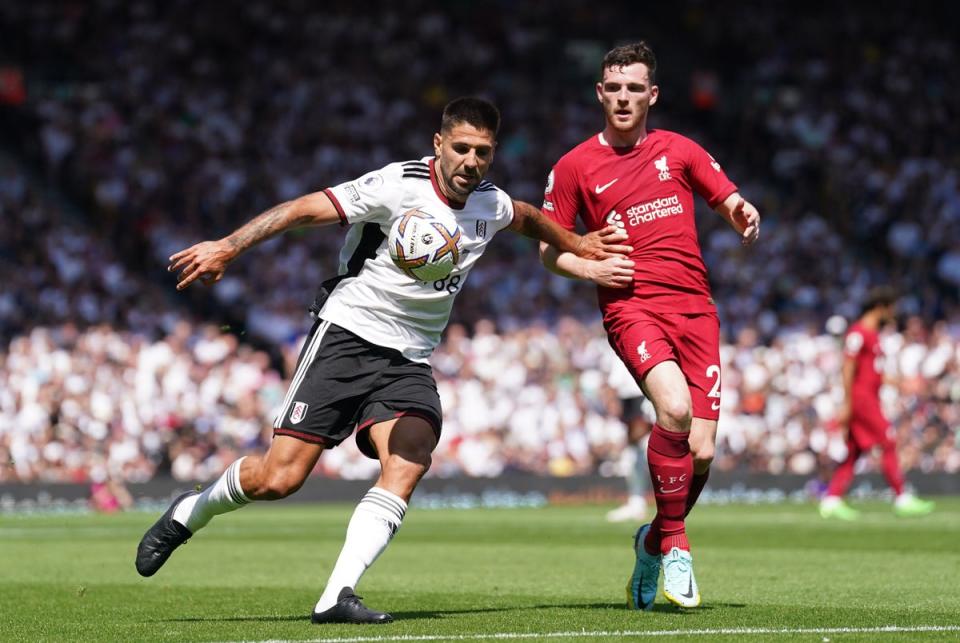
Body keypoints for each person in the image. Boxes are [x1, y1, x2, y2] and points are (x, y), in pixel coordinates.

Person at [134, 97, 632, 624]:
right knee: (278, 480)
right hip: (347, 337)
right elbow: (305, 209)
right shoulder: (397, 186)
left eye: (483, 152)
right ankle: (192, 509)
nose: (471, 161)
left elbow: (529, 218)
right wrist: (229, 247)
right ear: (438, 145)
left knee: (412, 454)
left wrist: (576, 240)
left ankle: (336, 595)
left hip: (410, 358)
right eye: (461, 148)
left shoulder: (491, 203)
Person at [538, 42, 760, 610]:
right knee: (675, 412)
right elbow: (548, 251)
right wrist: (590, 265)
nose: (623, 98)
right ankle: (679, 547)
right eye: (614, 88)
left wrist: (740, 210)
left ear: (651, 95)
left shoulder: (678, 149)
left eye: (634, 88)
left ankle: (653, 539)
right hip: (630, 305)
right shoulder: (573, 167)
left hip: (696, 309)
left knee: (703, 452)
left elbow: (726, 196)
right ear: (600, 92)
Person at [819, 287, 935, 520]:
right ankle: (902, 496)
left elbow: (874, 373)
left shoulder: (872, 335)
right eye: (891, 308)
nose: (893, 313)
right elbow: (848, 368)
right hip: (862, 400)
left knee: (855, 450)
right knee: (888, 439)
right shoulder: (858, 334)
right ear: (880, 307)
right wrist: (848, 403)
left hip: (869, 397)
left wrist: (900, 384)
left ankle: (832, 499)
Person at [605, 353, 653, 523]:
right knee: (634, 451)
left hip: (640, 393)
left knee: (637, 448)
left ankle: (637, 502)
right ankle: (636, 502)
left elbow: (613, 383)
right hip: (632, 396)